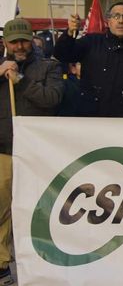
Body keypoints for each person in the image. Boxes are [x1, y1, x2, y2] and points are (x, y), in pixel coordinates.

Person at [0, 18, 63, 284]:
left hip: (36, 154)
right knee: (3, 210)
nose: (20, 46)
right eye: (14, 42)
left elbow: (52, 99)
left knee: (37, 210)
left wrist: (22, 81)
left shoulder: (49, 66)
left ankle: (38, 264)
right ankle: (3, 263)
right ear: (5, 43)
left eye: (24, 40)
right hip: (4, 151)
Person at [54, 2, 123, 117]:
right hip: (89, 117)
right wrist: (70, 33)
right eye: (116, 16)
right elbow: (62, 54)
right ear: (108, 21)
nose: (121, 21)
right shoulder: (91, 42)